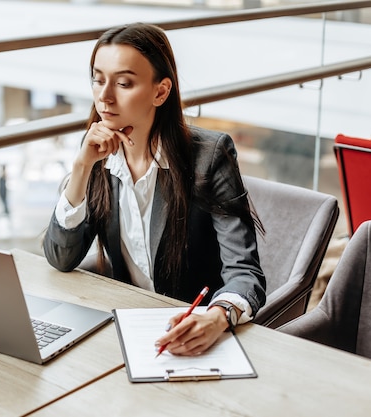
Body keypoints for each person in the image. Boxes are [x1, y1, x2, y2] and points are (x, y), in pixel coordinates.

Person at [42, 23, 266, 356]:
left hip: (189, 332)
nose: (104, 96)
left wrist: (217, 317)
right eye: (97, 79)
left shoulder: (209, 155)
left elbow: (245, 273)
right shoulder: (97, 152)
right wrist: (81, 168)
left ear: (160, 92)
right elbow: (61, 257)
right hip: (124, 328)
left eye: (123, 83)